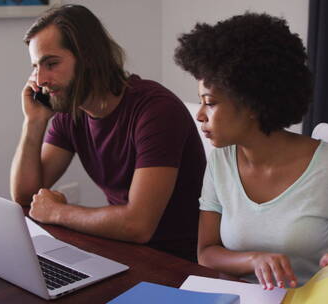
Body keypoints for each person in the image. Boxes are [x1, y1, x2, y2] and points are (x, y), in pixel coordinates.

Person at [174, 12, 328, 288]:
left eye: (210, 102)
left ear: (250, 103)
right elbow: (206, 253)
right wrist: (254, 260)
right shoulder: (221, 161)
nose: (200, 115)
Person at [10, 4, 206, 262]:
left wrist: (58, 212)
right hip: (122, 251)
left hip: (177, 263)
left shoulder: (156, 110)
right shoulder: (72, 113)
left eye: (51, 63)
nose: (40, 79)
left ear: (89, 57)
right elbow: (25, 196)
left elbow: (138, 225)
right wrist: (33, 122)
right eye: (36, 66)